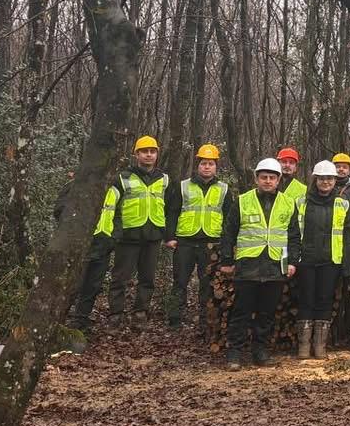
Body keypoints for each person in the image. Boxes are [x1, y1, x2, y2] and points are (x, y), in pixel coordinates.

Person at [219, 157, 300, 369]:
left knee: (267, 313)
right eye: (263, 177)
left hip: (275, 266)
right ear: (256, 178)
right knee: (241, 311)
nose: (267, 181)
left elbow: (294, 236)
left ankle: (260, 351)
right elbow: (229, 232)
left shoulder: (288, 203)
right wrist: (226, 259)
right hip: (248, 266)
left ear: (278, 180)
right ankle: (234, 353)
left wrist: (292, 261)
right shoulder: (243, 200)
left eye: (272, 177)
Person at [294, 160, 350, 358]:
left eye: (329, 178)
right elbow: (294, 233)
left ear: (335, 181)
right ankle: (304, 346)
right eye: (322, 178)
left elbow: (348, 237)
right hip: (306, 260)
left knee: (324, 300)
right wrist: (294, 259)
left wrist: (347, 265)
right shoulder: (301, 202)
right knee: (306, 300)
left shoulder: (342, 204)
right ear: (315, 180)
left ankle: (320, 346)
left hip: (331, 261)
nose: (326, 182)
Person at [165, 143, 230, 331]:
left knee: (207, 285)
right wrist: (170, 236)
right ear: (197, 165)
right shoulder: (183, 186)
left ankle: (205, 320)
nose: (207, 167)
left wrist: (225, 243)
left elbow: (229, 219)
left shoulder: (224, 189)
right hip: (184, 241)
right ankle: (175, 320)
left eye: (210, 163)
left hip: (211, 243)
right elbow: (172, 212)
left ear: (216, 165)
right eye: (203, 163)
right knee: (179, 282)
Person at [108, 135, 171, 327]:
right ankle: (115, 315)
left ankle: (140, 313)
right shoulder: (122, 177)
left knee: (147, 278)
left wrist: (166, 233)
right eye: (145, 152)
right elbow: (113, 207)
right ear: (136, 154)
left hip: (152, 236)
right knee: (120, 277)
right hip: (128, 236)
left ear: (157, 154)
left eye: (152, 152)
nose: (149, 155)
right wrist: (116, 231)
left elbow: (168, 208)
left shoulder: (164, 179)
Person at [67, 183, 123, 338]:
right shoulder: (77, 186)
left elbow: (118, 215)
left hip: (103, 244)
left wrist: (114, 238)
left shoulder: (115, 190)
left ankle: (81, 319)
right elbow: (60, 211)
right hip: (81, 243)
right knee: (73, 283)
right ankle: (62, 317)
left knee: (93, 285)